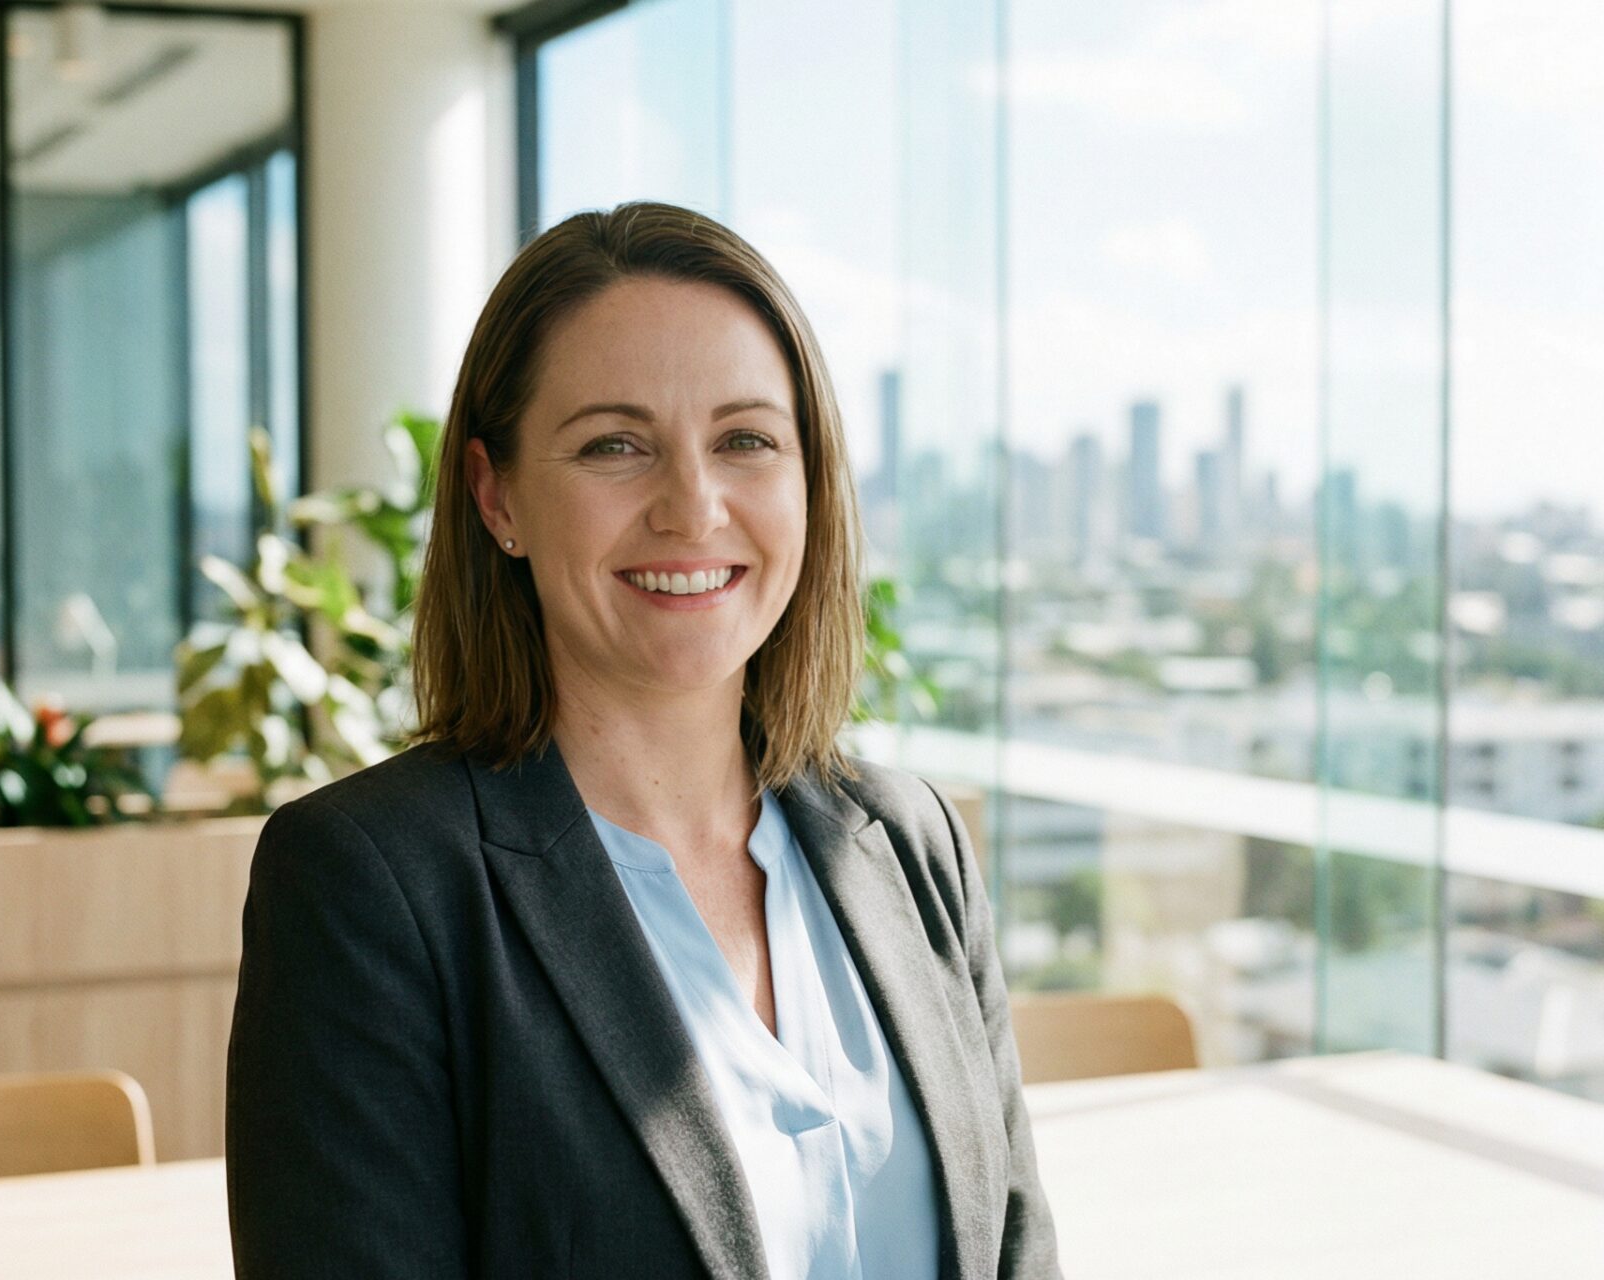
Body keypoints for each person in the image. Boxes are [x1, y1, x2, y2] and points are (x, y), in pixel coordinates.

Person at [225, 201, 1060, 1280]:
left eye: (746, 440)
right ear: (497, 494)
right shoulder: (368, 886)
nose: (693, 506)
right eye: (616, 445)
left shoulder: (913, 843)